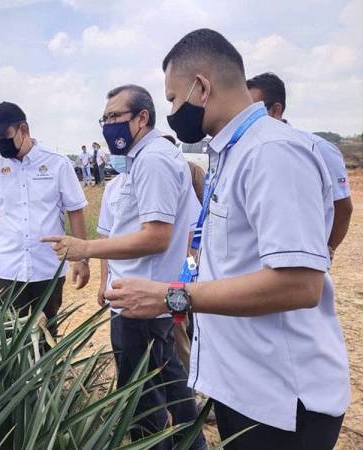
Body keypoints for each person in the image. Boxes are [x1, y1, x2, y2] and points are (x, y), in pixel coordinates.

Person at [105, 29, 350, 450]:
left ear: (201, 86)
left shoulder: (271, 153)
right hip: (249, 387)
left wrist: (173, 296)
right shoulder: (232, 153)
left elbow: (300, 284)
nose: (171, 110)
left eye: (171, 97)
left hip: (282, 401)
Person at [42, 85, 205, 450]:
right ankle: (193, 443)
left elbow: (157, 237)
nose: (108, 125)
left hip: (142, 299)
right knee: (169, 379)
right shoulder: (143, 161)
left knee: (141, 396)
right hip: (143, 295)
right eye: (105, 118)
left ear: (142, 118)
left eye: (115, 117)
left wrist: (84, 248)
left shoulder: (154, 160)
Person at [0, 101, 90, 339]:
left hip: (48, 265)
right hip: (8, 266)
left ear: (24, 129)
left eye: (6, 135)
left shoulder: (57, 164)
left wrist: (81, 257)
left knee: (47, 329)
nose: (1, 142)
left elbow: (75, 210)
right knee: (10, 333)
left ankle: (49, 375)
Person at [247, 72, 353, 260]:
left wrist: (327, 250)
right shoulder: (246, 152)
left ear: (275, 110)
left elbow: (343, 208)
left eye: (253, 112)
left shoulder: (318, 149)